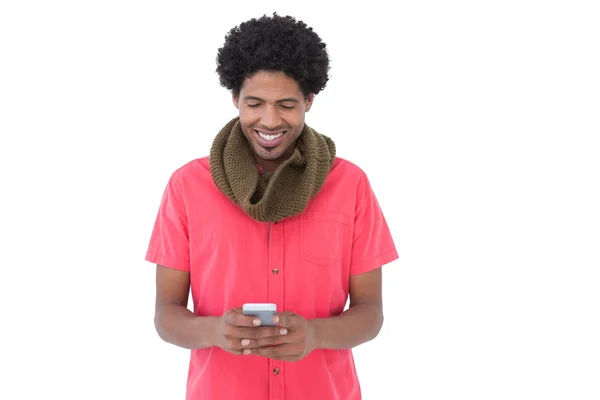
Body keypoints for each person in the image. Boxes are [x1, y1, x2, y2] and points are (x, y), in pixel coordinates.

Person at [145, 12, 398, 400]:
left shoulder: (350, 185)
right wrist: (215, 331)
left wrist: (315, 335)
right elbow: (166, 315)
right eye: (255, 102)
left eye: (286, 104)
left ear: (309, 101)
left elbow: (370, 313)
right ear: (234, 99)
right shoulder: (187, 186)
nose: (269, 119)